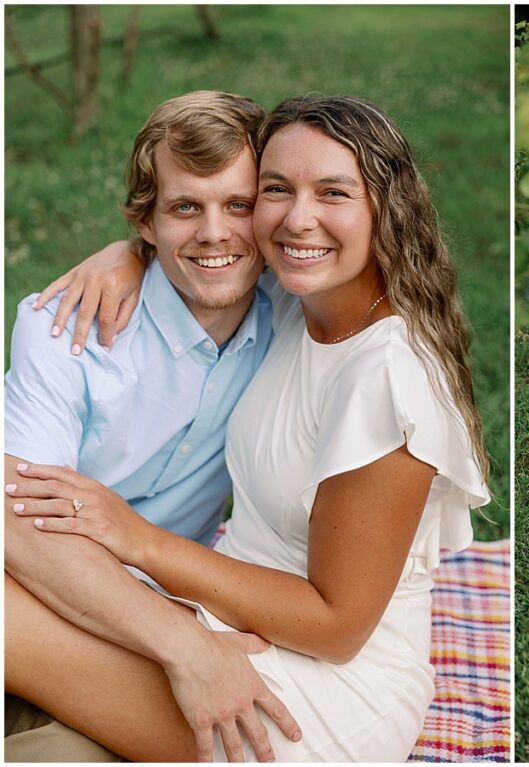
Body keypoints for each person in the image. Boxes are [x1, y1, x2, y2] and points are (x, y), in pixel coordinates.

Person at [5, 95, 491, 762]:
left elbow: (338, 626)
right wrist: (129, 256)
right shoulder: (294, 303)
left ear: (387, 207)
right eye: (277, 192)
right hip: (211, 616)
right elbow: (18, 521)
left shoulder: (372, 365)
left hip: (320, 684)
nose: (298, 219)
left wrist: (140, 542)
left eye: (333, 193)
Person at [5, 90, 302, 761]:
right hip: (32, 599)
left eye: (239, 205)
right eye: (184, 208)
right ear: (145, 219)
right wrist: (186, 644)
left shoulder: (289, 315)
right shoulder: (63, 331)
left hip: (123, 644)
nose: (215, 232)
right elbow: (17, 523)